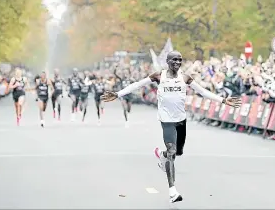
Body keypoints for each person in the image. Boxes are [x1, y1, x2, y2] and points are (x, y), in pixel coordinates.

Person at [102, 51, 241, 203]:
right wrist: (118, 94)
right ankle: (172, 191)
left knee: (177, 153)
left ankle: (162, 155)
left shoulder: (185, 77)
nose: (177, 62)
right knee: (172, 151)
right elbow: (137, 84)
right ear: (167, 61)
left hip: (180, 120)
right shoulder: (158, 76)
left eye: (180, 60)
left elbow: (202, 91)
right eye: (174, 59)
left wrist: (223, 100)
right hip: (166, 119)